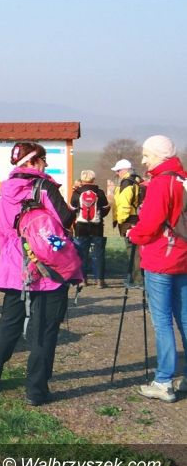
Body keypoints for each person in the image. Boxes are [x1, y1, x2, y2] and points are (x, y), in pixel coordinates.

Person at [0, 142, 77, 406]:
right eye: (43, 160)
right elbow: (66, 220)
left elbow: (1, 233)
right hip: (47, 267)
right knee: (44, 329)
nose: (46, 164)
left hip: (14, 265)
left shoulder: (2, 192)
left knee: (8, 323)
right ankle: (36, 390)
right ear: (33, 162)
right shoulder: (44, 188)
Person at [127, 135, 187, 403]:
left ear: (160, 156)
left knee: (162, 321)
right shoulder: (183, 179)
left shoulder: (161, 183)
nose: (143, 160)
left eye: (147, 155)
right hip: (183, 256)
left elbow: (150, 223)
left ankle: (163, 381)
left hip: (162, 257)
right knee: (185, 317)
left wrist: (134, 234)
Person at [70, 169, 110, 288]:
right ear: (93, 179)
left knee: (82, 253)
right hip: (97, 227)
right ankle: (99, 280)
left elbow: (72, 209)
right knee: (98, 253)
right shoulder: (100, 192)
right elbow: (106, 209)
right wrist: (99, 216)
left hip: (81, 227)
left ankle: (83, 279)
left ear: (82, 179)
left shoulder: (77, 192)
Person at [111, 158, 143, 288]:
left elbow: (124, 203)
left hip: (128, 220)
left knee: (133, 251)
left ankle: (137, 280)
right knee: (135, 250)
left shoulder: (126, 182)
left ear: (124, 170)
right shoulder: (134, 180)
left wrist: (121, 220)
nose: (117, 173)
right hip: (134, 218)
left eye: (118, 170)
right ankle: (137, 278)